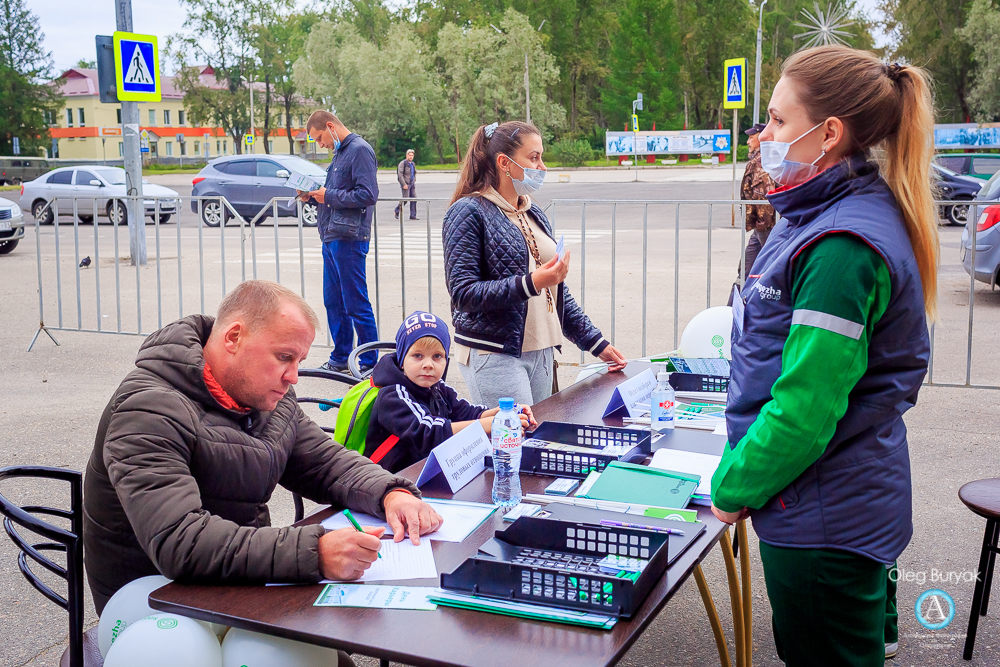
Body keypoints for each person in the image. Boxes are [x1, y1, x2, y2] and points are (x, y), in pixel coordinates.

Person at [710, 45, 937, 666]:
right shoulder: (817, 209)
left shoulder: (841, 243)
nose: (763, 135)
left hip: (820, 516)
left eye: (778, 121)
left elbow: (805, 410)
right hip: (825, 500)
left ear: (828, 133)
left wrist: (733, 487)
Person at [83, 280, 443, 615]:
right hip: (156, 607)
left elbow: (326, 462)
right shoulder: (146, 410)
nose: (293, 376)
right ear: (233, 337)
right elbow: (182, 542)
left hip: (237, 583)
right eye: (284, 357)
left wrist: (391, 493)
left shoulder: (262, 395)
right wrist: (315, 552)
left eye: (299, 361)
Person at [442, 121, 627, 408]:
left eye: (541, 156)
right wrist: (533, 282)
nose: (542, 167)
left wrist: (595, 343)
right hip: (494, 355)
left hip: (540, 351)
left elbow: (557, 293)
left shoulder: (533, 210)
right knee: (515, 442)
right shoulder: (467, 211)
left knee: (539, 442)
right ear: (504, 162)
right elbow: (463, 293)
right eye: (534, 157)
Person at [363, 311, 536, 473]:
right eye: (418, 356)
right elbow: (427, 434)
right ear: (402, 360)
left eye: (437, 356)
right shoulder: (393, 395)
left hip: (430, 472)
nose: (428, 364)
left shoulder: (438, 387)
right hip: (394, 480)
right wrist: (492, 424)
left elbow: (467, 413)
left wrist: (504, 413)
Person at [300, 110, 379, 373]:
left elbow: (367, 194)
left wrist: (327, 196)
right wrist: (312, 196)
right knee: (334, 301)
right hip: (332, 236)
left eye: (319, 137)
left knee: (356, 303)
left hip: (349, 238)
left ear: (331, 126)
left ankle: (369, 363)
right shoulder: (341, 153)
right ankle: (341, 357)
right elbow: (334, 194)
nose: (320, 144)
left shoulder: (359, 150)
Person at [738, 123, 776, 279]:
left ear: (762, 138)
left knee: (767, 268)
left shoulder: (763, 160)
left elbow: (764, 194)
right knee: (746, 269)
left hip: (765, 225)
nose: (748, 142)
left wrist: (762, 225)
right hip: (761, 226)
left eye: (751, 137)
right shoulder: (758, 159)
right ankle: (737, 301)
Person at [395, 149, 418, 220]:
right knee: (405, 199)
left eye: (412, 155)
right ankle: (397, 210)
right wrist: (404, 184)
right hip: (406, 184)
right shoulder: (403, 163)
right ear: (406, 155)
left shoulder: (413, 164)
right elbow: (400, 174)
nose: (411, 157)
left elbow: (414, 172)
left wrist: (414, 180)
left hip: (412, 183)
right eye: (409, 155)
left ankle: (413, 215)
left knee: (414, 199)